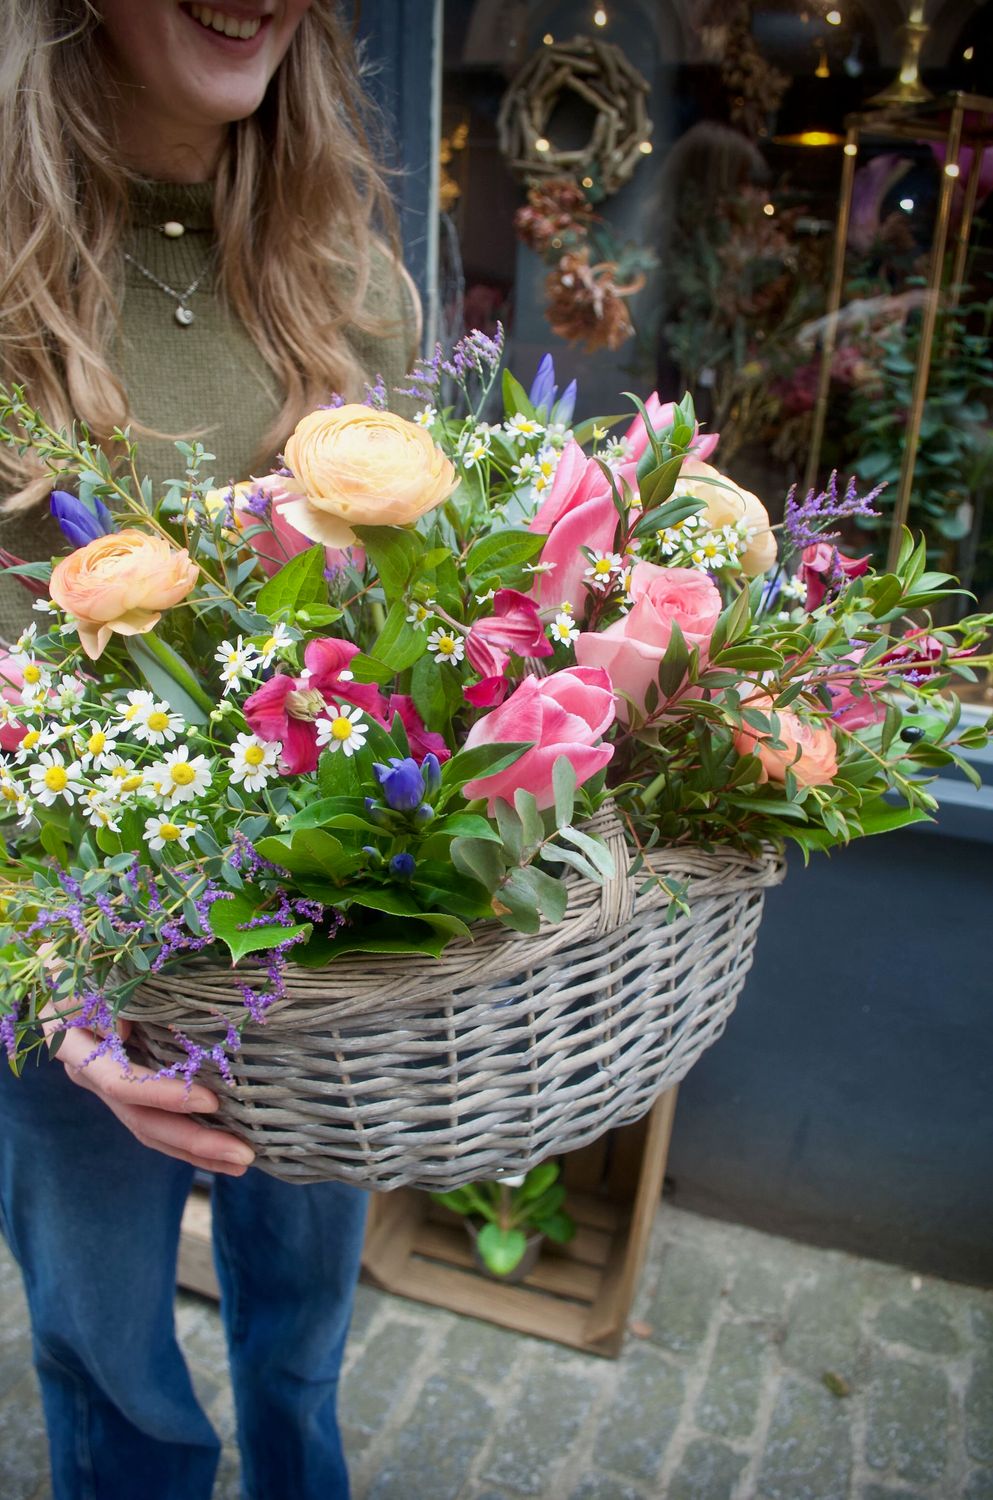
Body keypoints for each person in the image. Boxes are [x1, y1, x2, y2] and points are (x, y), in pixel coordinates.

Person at [0, 3, 419, 1496]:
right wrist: (51, 990)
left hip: (318, 947)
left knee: (304, 1330)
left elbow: (405, 642)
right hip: (66, 948)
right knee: (111, 1371)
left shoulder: (349, 278)